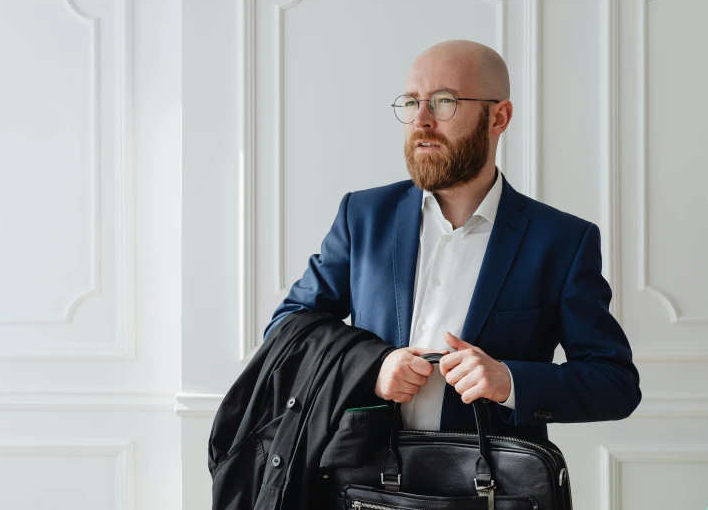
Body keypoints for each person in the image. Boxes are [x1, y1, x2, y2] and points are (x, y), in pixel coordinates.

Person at [263, 39, 641, 440]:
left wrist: (509, 381)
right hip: (359, 488)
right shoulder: (362, 216)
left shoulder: (563, 241)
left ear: (499, 118)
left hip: (490, 493)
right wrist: (371, 367)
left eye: (443, 102)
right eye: (411, 102)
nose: (421, 120)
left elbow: (614, 384)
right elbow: (287, 332)